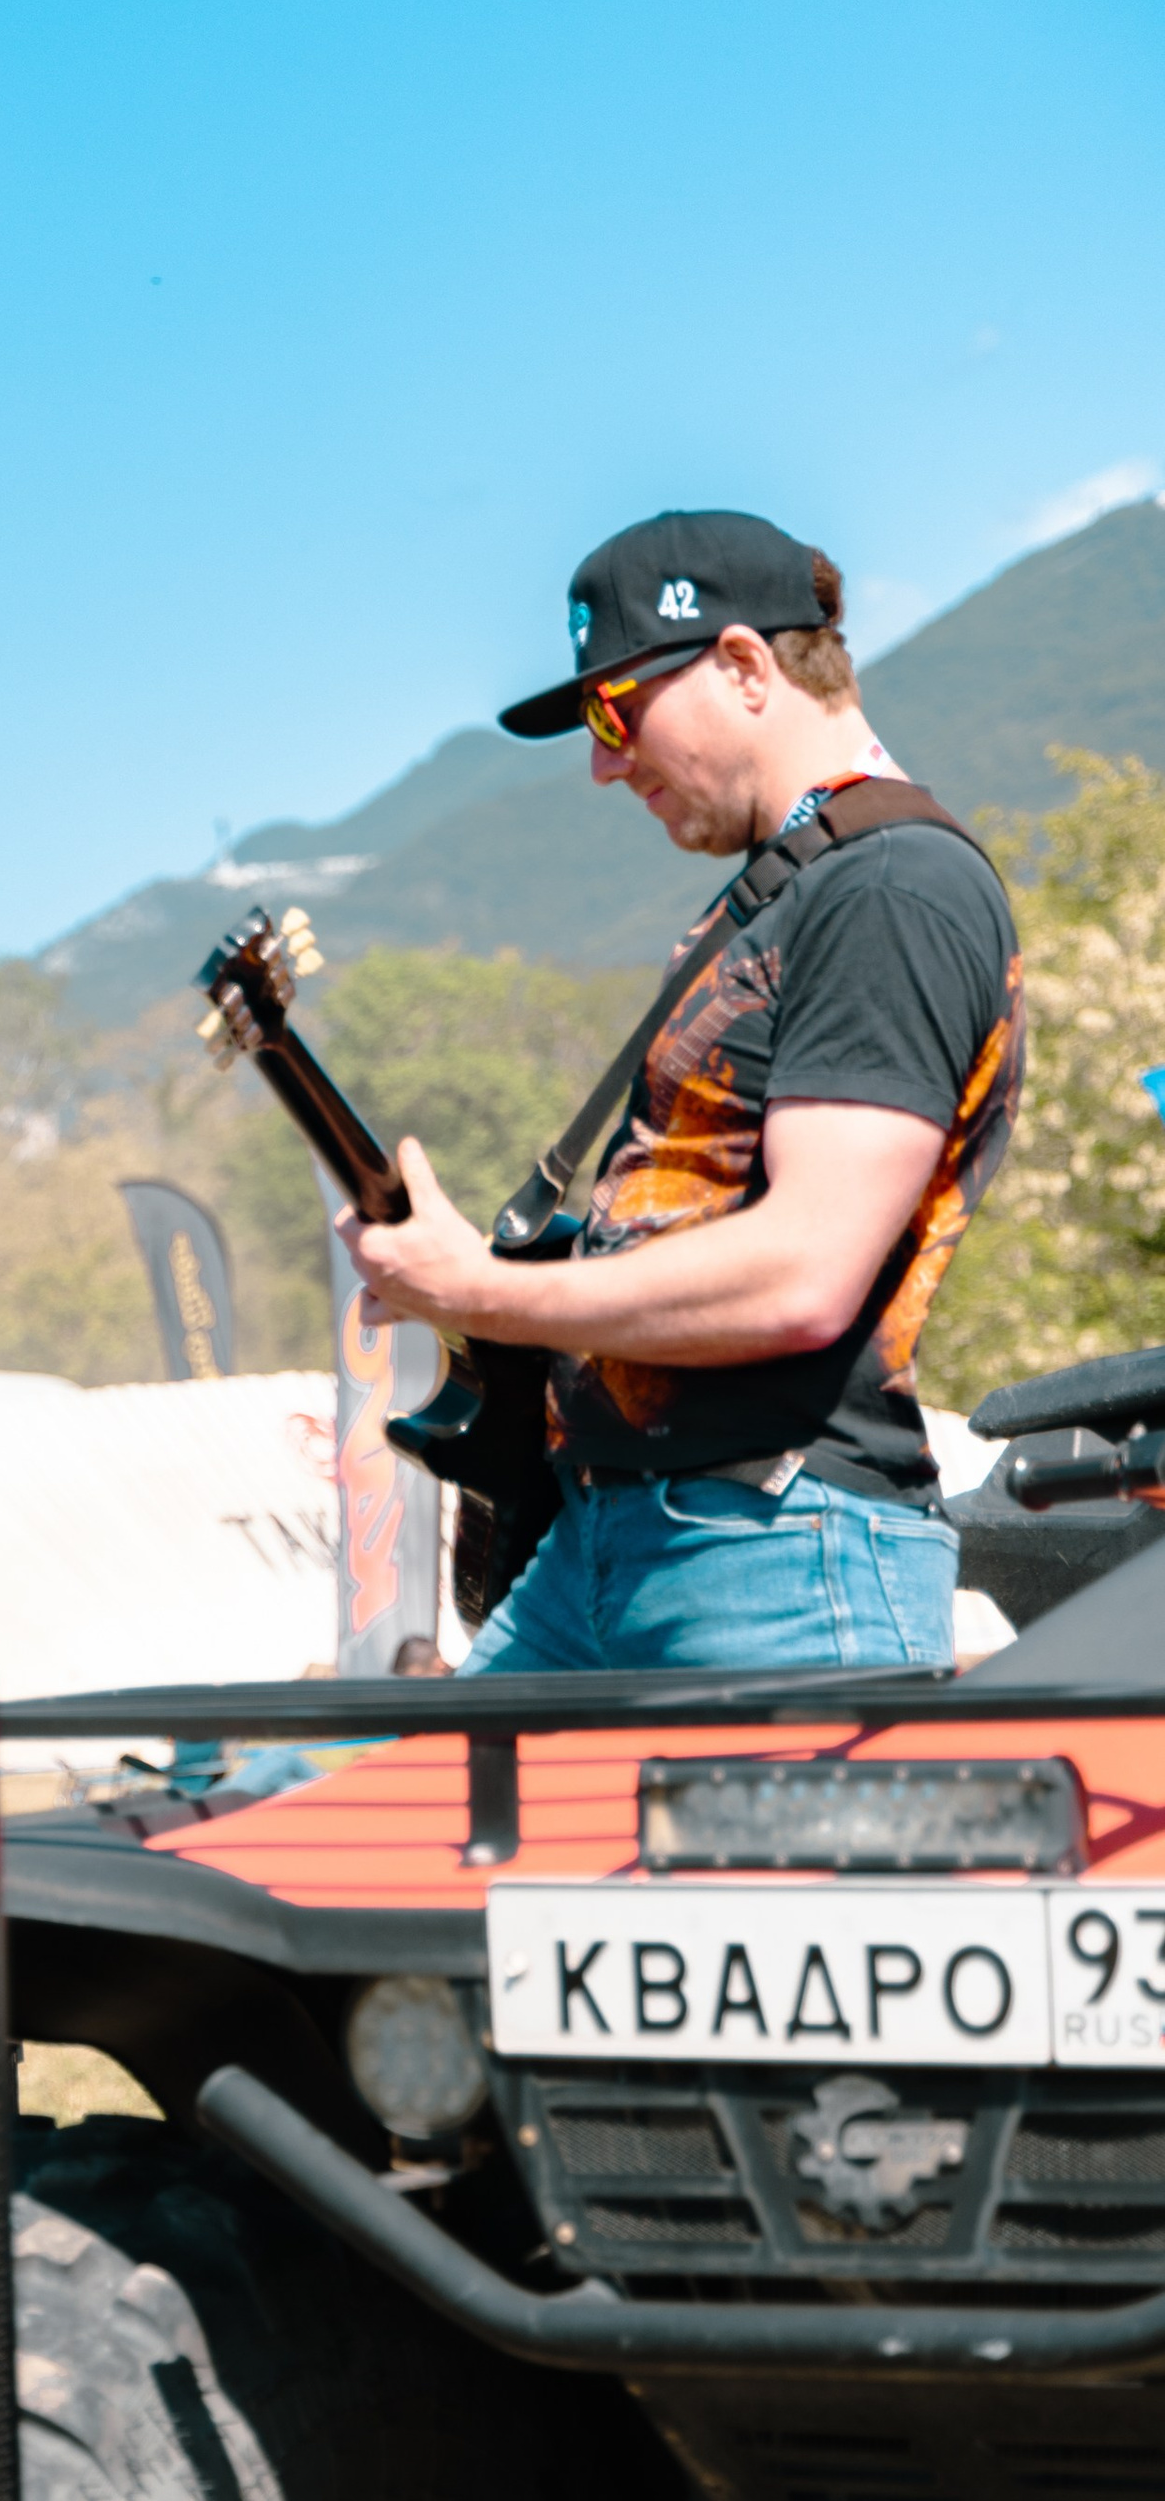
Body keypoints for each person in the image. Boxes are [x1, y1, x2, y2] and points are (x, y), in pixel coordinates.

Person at [339, 510, 1023, 1675]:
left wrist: (483, 1294)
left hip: (778, 1546)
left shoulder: (891, 887)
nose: (602, 765)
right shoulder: (786, 890)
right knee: (372, 1797)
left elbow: (803, 1275)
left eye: (615, 713)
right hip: (617, 1540)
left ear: (745, 665)